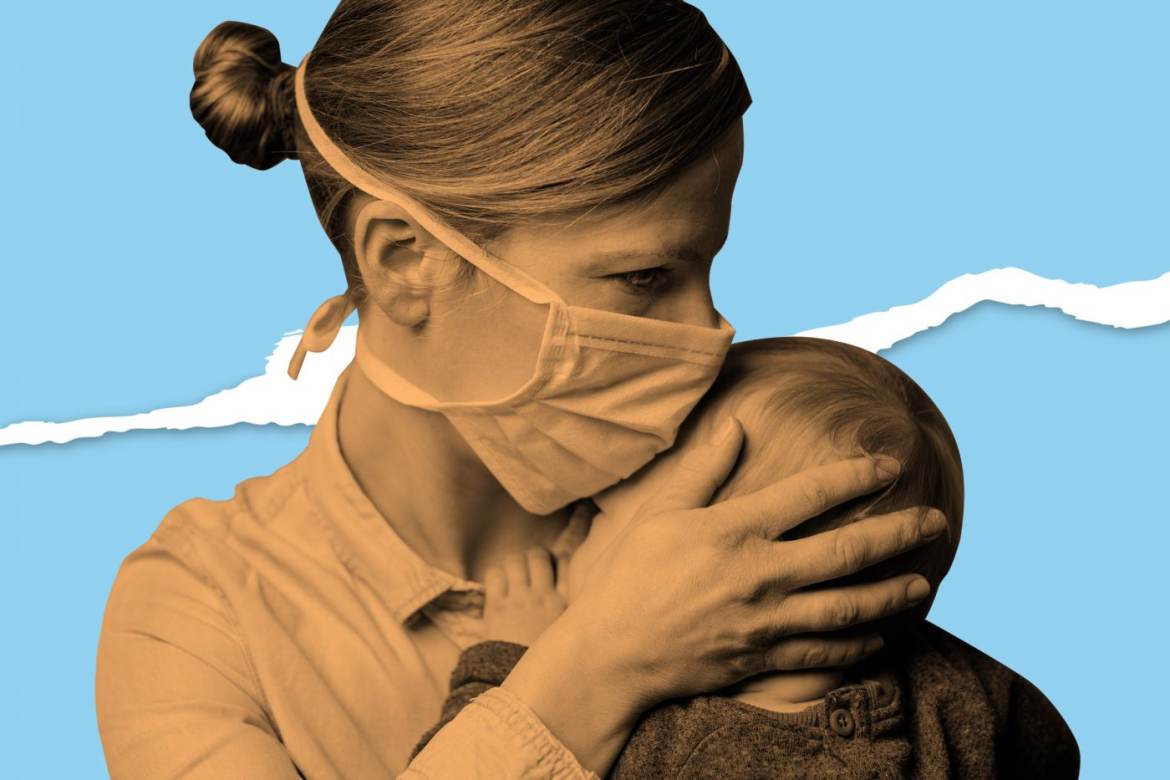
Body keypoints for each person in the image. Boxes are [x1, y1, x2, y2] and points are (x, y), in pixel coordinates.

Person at [95, 5, 951, 778]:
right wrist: (599, 665)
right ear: (404, 261)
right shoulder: (196, 613)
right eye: (646, 276)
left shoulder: (761, 503)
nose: (712, 331)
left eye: (708, 267)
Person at [416, 337, 1081, 778]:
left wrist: (508, 659)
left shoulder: (656, 749)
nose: (588, 503)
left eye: (606, 512)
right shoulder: (976, 692)